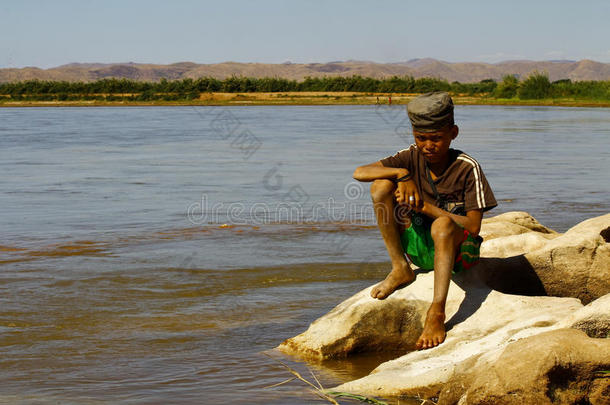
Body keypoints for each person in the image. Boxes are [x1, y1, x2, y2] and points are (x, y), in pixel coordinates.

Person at [353, 92, 497, 350]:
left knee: (442, 225)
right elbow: (359, 172)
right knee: (381, 186)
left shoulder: (466, 167)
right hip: (420, 248)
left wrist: (426, 208)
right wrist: (401, 173)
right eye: (421, 138)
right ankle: (400, 268)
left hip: (458, 253)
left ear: (453, 132)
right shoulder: (410, 157)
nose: (428, 145)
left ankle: (437, 312)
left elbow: (473, 227)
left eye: (436, 138)